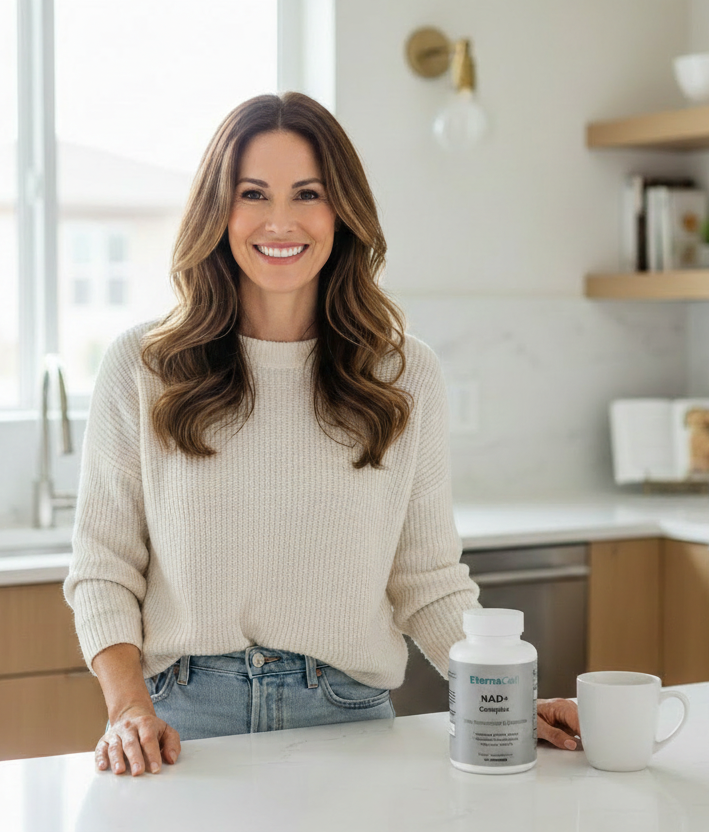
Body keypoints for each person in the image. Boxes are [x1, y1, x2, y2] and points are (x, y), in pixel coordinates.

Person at [63, 91, 580, 777]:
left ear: (343, 211)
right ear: (218, 210)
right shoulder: (145, 365)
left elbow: (426, 579)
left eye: (308, 194)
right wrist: (129, 709)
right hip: (183, 722)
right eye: (253, 194)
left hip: (346, 716)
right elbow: (103, 569)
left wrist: (504, 698)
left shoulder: (403, 375)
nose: (280, 221)